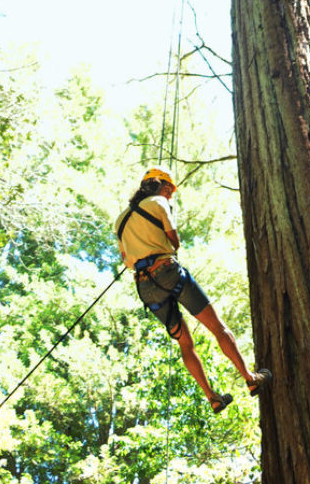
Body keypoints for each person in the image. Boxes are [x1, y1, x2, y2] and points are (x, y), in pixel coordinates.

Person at [114, 166, 271, 413]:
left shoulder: (120, 220)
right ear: (162, 186)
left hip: (146, 287)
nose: (170, 196)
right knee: (217, 327)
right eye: (169, 191)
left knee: (185, 344)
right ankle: (250, 378)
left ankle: (213, 397)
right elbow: (175, 242)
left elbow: (126, 259)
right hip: (167, 271)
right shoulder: (159, 202)